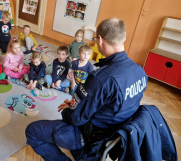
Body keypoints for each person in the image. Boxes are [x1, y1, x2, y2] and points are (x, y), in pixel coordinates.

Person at [25, 18, 148, 161]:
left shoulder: (100, 79)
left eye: (95, 39)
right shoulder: (140, 72)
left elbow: (74, 119)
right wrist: (78, 104)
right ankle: (84, 155)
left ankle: (80, 153)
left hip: (91, 136)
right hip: (114, 135)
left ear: (100, 40)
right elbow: (114, 103)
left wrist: (70, 108)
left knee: (32, 131)